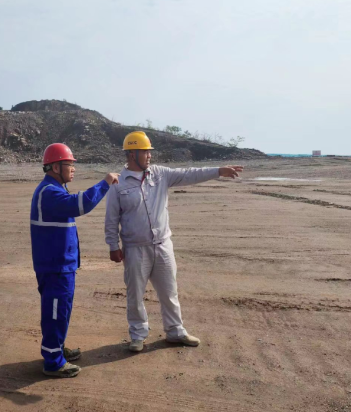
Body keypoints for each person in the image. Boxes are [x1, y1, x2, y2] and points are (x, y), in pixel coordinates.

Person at [104, 131, 243, 352]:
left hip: (162, 245)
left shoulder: (160, 174)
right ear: (132, 154)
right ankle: (138, 335)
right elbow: (111, 218)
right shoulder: (118, 184)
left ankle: (175, 331)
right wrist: (113, 246)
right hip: (135, 249)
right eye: (145, 152)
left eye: (149, 152)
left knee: (169, 292)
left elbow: (189, 174)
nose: (149, 156)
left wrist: (218, 171)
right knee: (135, 295)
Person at [31, 143, 119, 378]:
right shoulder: (49, 192)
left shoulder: (55, 189)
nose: (73, 169)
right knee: (55, 312)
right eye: (69, 164)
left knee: (61, 311)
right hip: (55, 267)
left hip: (62, 266)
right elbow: (81, 204)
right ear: (55, 167)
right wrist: (105, 183)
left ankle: (57, 349)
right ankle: (53, 362)